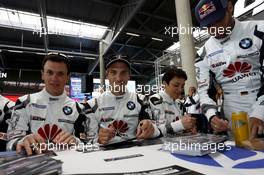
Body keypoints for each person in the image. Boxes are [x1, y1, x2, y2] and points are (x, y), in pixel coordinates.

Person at [194, 0, 264, 138]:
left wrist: (260, 113)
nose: (215, 28)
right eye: (208, 25)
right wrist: (212, 116)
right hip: (233, 113)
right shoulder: (203, 53)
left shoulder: (259, 30)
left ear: (230, 8)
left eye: (218, 20)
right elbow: (204, 92)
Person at [6, 53, 90, 155]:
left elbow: (87, 143)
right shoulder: (24, 102)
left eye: (60, 74)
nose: (54, 78)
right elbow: (10, 142)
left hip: (69, 164)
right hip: (32, 162)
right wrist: (21, 141)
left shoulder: (78, 108)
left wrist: (76, 141)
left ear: (67, 77)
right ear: (42, 74)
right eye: (50, 72)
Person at [85, 57, 161, 145]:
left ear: (129, 75)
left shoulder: (141, 100)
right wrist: (98, 139)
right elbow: (88, 141)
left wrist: (151, 129)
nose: (118, 78)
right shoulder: (92, 104)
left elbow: (155, 130)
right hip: (105, 153)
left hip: (135, 151)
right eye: (113, 72)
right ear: (107, 75)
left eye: (123, 73)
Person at [149, 67, 196, 136]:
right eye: (176, 85)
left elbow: (181, 127)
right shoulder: (155, 100)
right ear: (165, 84)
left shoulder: (179, 103)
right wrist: (180, 124)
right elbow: (155, 130)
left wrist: (188, 127)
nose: (180, 90)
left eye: (182, 86)